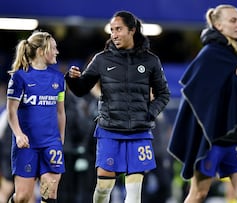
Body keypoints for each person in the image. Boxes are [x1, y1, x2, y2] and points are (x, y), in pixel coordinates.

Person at [65, 10, 170, 203]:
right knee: (104, 189)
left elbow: (164, 94)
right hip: (109, 131)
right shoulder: (101, 59)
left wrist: (150, 113)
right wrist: (72, 80)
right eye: (111, 30)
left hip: (139, 133)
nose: (114, 34)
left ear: (132, 30)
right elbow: (81, 89)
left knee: (134, 193)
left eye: (118, 29)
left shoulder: (150, 61)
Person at [168, 4, 237, 203]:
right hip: (212, 140)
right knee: (199, 194)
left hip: (236, 139)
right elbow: (200, 98)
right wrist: (235, 81)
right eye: (233, 21)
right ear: (218, 25)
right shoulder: (210, 54)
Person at [6, 31, 66, 203]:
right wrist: (18, 134)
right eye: (53, 48)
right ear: (41, 51)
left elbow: (60, 111)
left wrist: (61, 138)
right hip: (27, 144)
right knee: (24, 197)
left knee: (49, 193)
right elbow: (11, 111)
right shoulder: (20, 77)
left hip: (51, 143)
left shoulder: (58, 78)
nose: (57, 52)